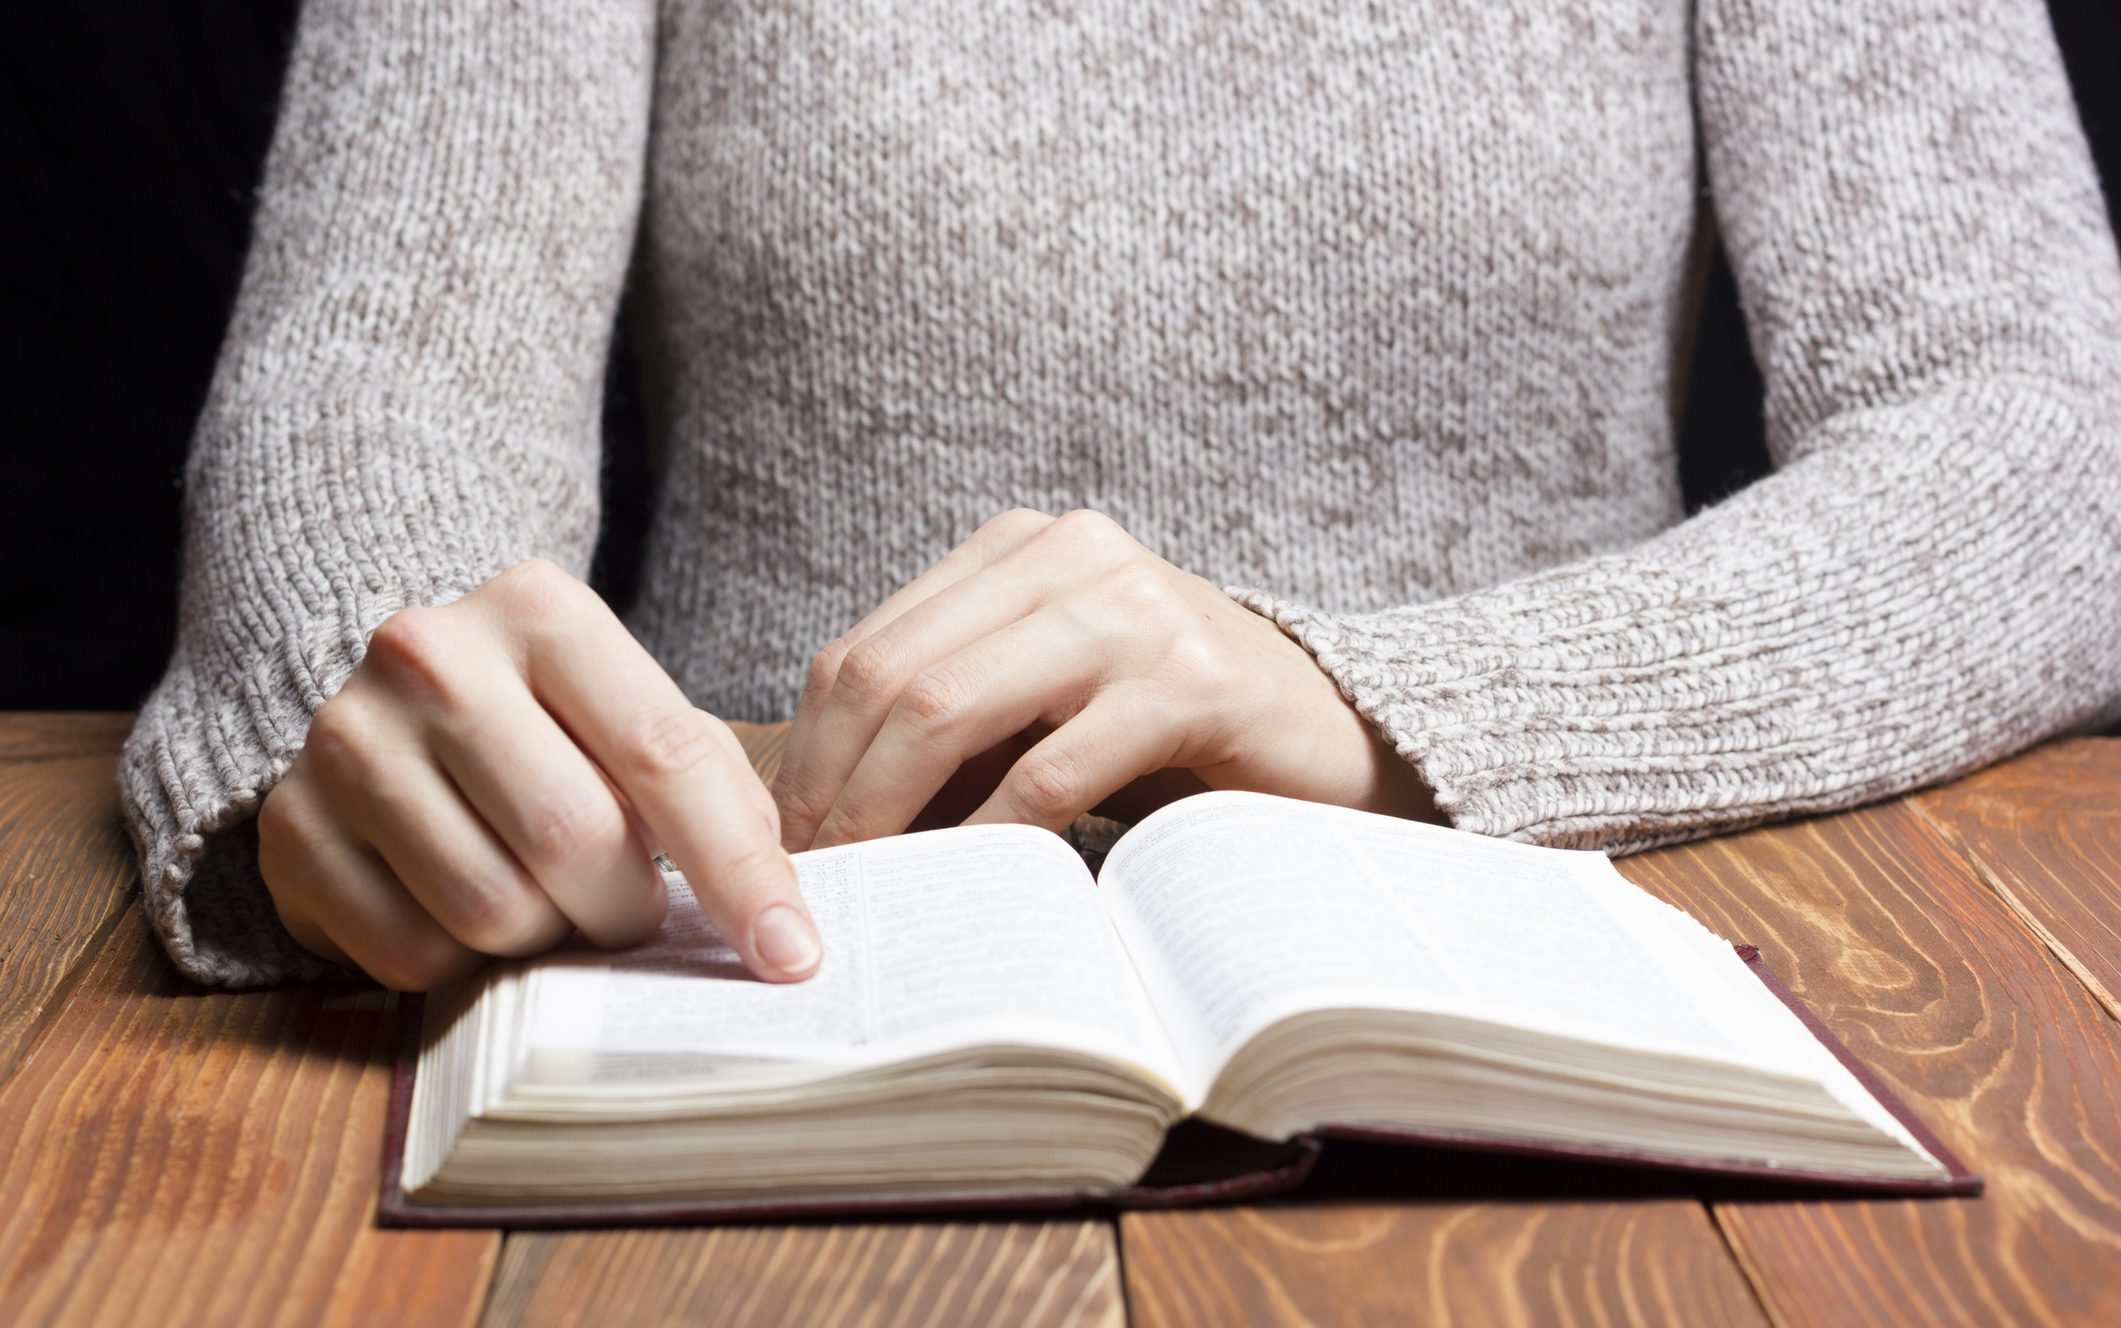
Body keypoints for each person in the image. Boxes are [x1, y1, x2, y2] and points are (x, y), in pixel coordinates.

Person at [120, 0, 2121, 993]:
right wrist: (389, 699)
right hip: (755, 970)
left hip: (1574, 957)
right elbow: (384, 356)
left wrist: (1372, 697)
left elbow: (2044, 426)